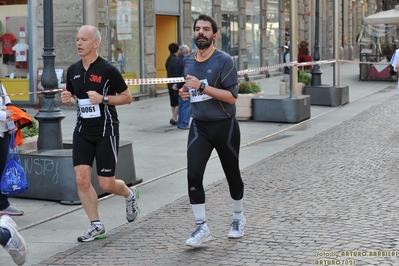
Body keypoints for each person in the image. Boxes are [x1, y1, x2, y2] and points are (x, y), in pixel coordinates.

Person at [60, 25, 139, 242]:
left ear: (96, 43)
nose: (79, 43)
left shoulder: (108, 69)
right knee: (82, 179)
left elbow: (127, 97)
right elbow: (77, 100)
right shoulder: (72, 70)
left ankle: (130, 194)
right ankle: (96, 225)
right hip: (82, 131)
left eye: (84, 39)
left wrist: (103, 99)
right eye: (77, 39)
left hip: (106, 131)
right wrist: (69, 100)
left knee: (106, 183)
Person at [179, 14, 245, 247]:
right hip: (199, 127)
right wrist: (185, 92)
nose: (201, 33)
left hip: (224, 126)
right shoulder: (187, 60)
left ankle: (238, 217)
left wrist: (202, 86)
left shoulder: (224, 60)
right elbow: (190, 89)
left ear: (215, 34)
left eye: (206, 29)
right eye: (198, 29)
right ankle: (201, 227)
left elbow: (231, 97)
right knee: (193, 175)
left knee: (232, 174)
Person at [0, 84, 24, 217]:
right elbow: (6, 111)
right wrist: (4, 114)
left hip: (3, 132)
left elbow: (8, 105)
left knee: (2, 169)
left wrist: (13, 122)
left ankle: (3, 204)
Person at [173, 44, 191, 129]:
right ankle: (184, 123)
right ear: (187, 51)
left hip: (178, 85)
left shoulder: (178, 60)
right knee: (186, 105)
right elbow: (184, 74)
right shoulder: (185, 61)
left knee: (181, 105)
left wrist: (176, 84)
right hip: (184, 85)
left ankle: (180, 122)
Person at [165, 42, 179, 125]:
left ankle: (174, 117)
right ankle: (174, 118)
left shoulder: (168, 59)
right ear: (177, 50)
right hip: (175, 83)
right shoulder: (176, 60)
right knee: (177, 101)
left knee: (172, 102)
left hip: (169, 83)